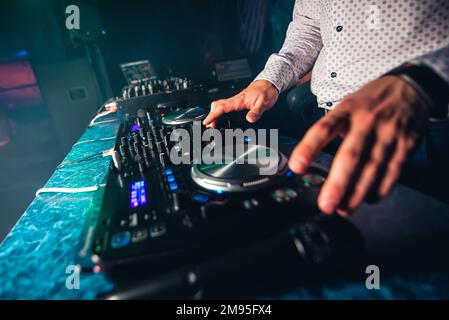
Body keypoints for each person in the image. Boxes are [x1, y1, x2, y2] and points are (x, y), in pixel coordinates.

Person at [203, 0, 449, 215]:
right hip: (329, 124)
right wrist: (269, 81)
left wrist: (419, 82)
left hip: (423, 127)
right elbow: (308, 27)